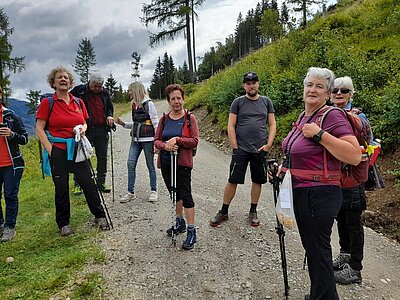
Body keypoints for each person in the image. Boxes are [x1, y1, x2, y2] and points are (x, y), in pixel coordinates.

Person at [281, 67, 361, 300]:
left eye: (319, 86)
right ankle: (320, 293)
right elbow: (297, 154)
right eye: (309, 84)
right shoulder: (303, 117)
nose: (312, 90)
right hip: (302, 190)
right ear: (303, 88)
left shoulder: (331, 116)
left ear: (328, 93)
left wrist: (319, 135)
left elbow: (354, 155)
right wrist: (282, 170)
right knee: (314, 250)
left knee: (318, 251)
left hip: (320, 193)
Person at [36, 66, 108, 236]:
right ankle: (63, 223)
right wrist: (51, 150)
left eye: (66, 78)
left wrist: (83, 128)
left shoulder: (78, 102)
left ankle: (99, 215)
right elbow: (39, 128)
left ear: (70, 83)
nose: (63, 80)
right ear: (53, 83)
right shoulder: (48, 103)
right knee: (61, 187)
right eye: (59, 78)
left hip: (77, 149)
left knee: (88, 183)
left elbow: (84, 121)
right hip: (59, 149)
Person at [210, 72, 276, 227]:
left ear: (258, 84)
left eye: (253, 82)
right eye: (248, 83)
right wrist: (234, 146)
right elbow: (231, 124)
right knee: (233, 180)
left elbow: (272, 124)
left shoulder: (266, 102)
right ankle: (224, 211)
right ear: (244, 86)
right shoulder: (238, 102)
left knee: (257, 180)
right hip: (241, 149)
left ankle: (253, 211)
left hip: (260, 149)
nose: (251, 85)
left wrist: (269, 144)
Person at [330, 76, 367, 284]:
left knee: (353, 222)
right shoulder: (332, 115)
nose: (338, 94)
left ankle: (355, 268)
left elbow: (365, 146)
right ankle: (345, 256)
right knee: (341, 219)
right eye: (335, 90)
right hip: (337, 178)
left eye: (344, 91)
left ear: (351, 94)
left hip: (352, 178)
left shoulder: (358, 117)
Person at [154, 84, 199, 250]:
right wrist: (165, 146)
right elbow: (156, 140)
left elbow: (194, 141)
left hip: (182, 163)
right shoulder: (164, 119)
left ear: (183, 99)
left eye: (178, 98)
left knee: (186, 195)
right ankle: (179, 222)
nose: (176, 102)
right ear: (168, 101)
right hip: (166, 162)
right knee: (175, 193)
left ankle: (191, 230)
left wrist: (177, 140)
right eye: (173, 99)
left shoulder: (189, 119)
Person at [70, 73, 114, 195]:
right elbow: (69, 103)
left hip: (102, 129)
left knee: (102, 157)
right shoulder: (79, 91)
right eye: (95, 86)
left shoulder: (105, 92)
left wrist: (110, 115)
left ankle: (101, 182)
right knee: (81, 156)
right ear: (89, 82)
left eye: (100, 86)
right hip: (85, 130)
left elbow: (109, 107)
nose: (97, 89)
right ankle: (78, 184)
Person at [116, 82, 159, 203]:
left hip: (148, 140)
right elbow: (136, 124)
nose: (128, 93)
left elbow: (156, 124)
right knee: (130, 163)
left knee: (150, 165)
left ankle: (154, 191)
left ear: (135, 91)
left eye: (130, 91)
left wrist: (156, 142)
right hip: (135, 140)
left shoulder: (149, 104)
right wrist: (123, 124)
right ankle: (130, 192)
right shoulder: (134, 105)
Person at [0, 87, 28, 242]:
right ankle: (0, 225)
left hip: (12, 163)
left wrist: (12, 135)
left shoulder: (11, 115)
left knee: (10, 195)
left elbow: (24, 138)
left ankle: (10, 227)